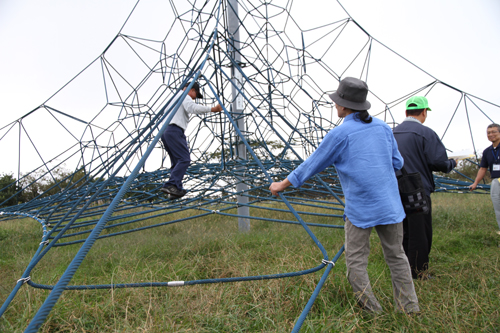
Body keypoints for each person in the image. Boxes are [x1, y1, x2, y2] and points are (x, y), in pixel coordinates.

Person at [269, 77, 419, 314]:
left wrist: (282, 185)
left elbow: (311, 165)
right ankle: (409, 309)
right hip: (390, 205)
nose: (335, 106)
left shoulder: (340, 134)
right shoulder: (382, 128)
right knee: (397, 256)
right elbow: (397, 161)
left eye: (337, 102)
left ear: (344, 106)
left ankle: (374, 312)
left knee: (356, 263)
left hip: (360, 209)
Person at [393, 96, 457, 279]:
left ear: (406, 112)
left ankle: (403, 270)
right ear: (424, 112)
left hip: (393, 188)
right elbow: (438, 162)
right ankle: (419, 272)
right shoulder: (426, 133)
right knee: (420, 231)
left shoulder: (390, 133)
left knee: (402, 230)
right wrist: (452, 163)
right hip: (417, 189)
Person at [160, 81, 223, 198]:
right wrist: (213, 109)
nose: (194, 98)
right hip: (175, 130)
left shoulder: (174, 98)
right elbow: (192, 108)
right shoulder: (184, 95)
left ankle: (175, 188)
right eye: (195, 94)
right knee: (184, 159)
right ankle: (171, 184)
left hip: (165, 132)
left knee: (177, 162)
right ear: (191, 90)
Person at [469, 124, 500, 236]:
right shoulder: (487, 151)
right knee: (498, 210)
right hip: (496, 181)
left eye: (494, 132)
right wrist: (475, 183)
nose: (491, 134)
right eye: (488, 133)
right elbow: (483, 168)